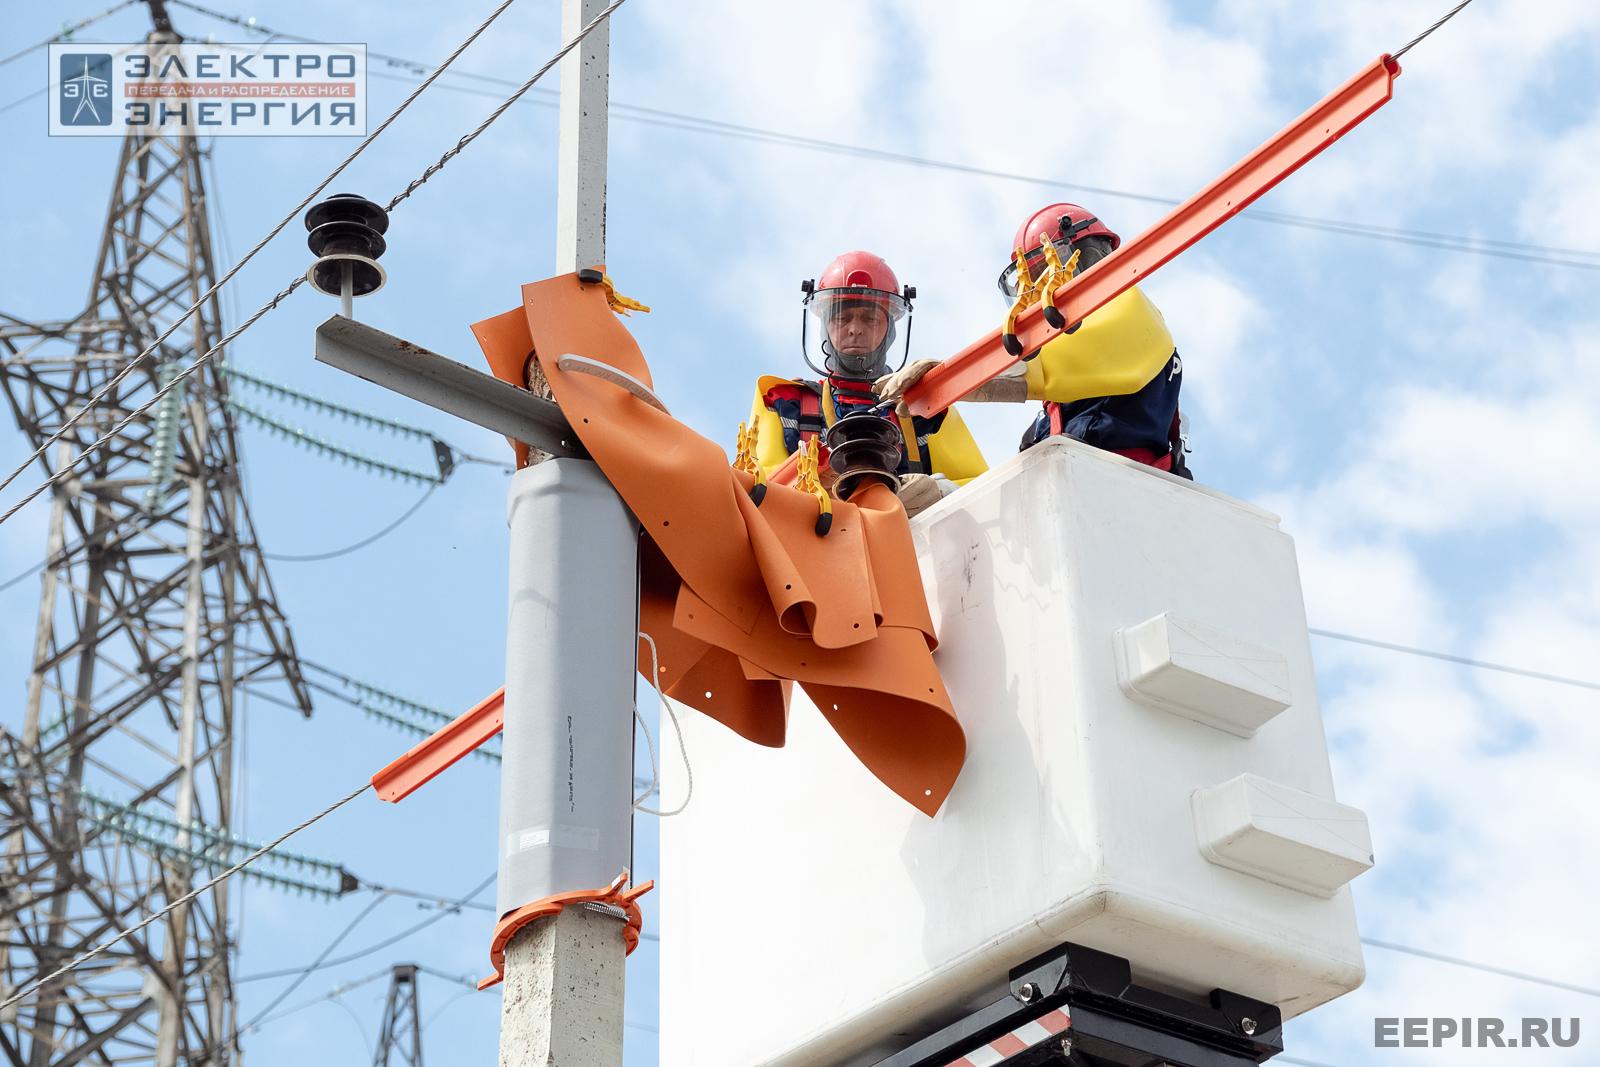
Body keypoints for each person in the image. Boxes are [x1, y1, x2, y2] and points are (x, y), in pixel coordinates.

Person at [875, 204, 1192, 478]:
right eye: (1033, 280)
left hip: (1134, 504)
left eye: (1052, 272)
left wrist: (952, 378)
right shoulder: (1053, 411)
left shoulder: (1134, 315)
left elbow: (1048, 364)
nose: (1042, 293)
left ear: (1091, 261)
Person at [745, 251, 987, 516]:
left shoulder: (927, 409)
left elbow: (982, 491)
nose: (855, 328)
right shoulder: (783, 402)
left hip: (912, 551)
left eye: (869, 318)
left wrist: (940, 492)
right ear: (826, 327)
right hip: (812, 551)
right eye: (842, 317)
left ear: (890, 331)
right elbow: (757, 496)